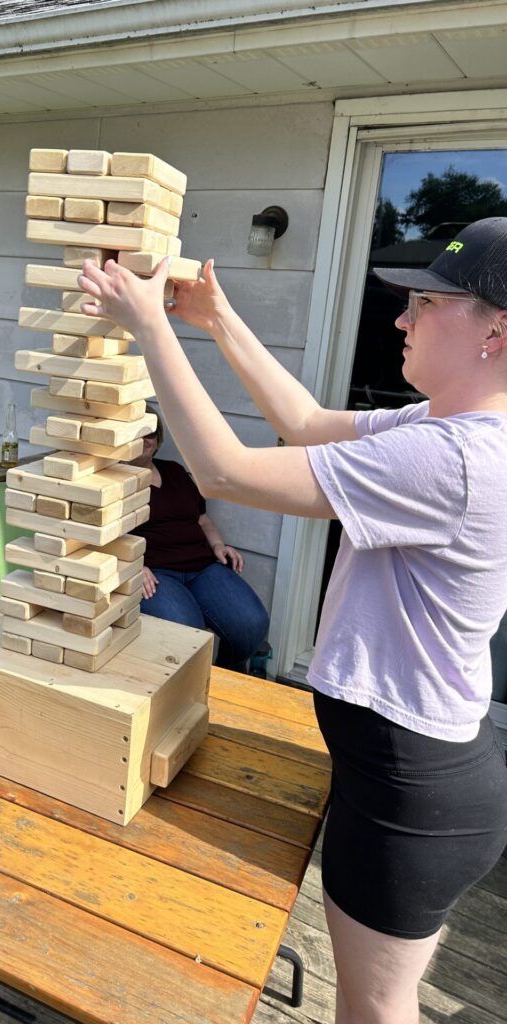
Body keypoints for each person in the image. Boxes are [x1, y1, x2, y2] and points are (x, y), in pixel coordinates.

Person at [78, 217, 507, 1024]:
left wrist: (145, 325)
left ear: (498, 330)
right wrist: (214, 318)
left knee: (374, 1010)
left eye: (425, 302)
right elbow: (307, 422)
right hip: (414, 778)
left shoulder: (454, 460)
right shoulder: (446, 429)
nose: (401, 321)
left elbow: (222, 470)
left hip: (408, 793)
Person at [128, 405, 269, 672]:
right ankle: (192, 687)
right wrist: (132, 564)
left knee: (251, 624)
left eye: (149, 433)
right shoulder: (111, 480)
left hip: (202, 566)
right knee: (187, 635)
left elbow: (202, 519)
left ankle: (223, 676)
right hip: (156, 574)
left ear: (158, 440)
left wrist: (218, 545)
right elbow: (104, 537)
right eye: (136, 433)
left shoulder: (175, 472)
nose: (144, 440)